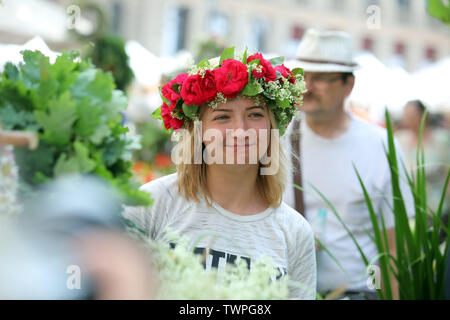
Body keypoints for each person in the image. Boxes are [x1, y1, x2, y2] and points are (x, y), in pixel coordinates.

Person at [123, 49, 317, 299]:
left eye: (255, 114)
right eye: (222, 116)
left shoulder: (294, 232)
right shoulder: (150, 206)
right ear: (199, 130)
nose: (240, 130)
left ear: (272, 127)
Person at [284, 29, 413, 300]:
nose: (306, 86)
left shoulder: (381, 145)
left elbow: (394, 247)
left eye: (319, 78)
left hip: (356, 292)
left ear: (348, 85)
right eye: (301, 76)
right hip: (285, 290)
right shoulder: (275, 140)